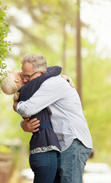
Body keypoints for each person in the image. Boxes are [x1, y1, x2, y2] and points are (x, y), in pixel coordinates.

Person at [15, 54, 93, 183]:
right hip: (64, 143)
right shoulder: (44, 84)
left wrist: (16, 104)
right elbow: (38, 113)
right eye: (23, 76)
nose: (24, 80)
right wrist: (24, 124)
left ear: (40, 73)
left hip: (73, 142)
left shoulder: (52, 84)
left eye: (27, 76)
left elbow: (27, 109)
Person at [1, 64, 62, 183]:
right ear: (16, 79)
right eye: (13, 71)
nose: (15, 69)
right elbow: (56, 69)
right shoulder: (30, 88)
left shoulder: (23, 95)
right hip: (45, 151)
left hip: (40, 152)